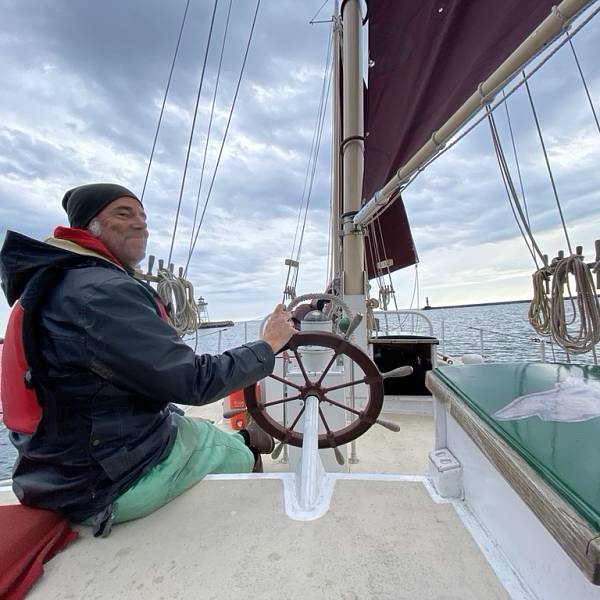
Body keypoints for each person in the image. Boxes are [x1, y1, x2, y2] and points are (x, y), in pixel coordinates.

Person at [0, 183, 296, 536]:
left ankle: (247, 437)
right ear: (87, 228)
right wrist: (267, 346)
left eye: (142, 216)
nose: (141, 224)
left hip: (58, 472)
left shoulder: (58, 283)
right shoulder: (100, 292)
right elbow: (195, 382)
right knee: (234, 453)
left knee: (196, 429)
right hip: (109, 483)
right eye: (123, 214)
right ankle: (252, 525)